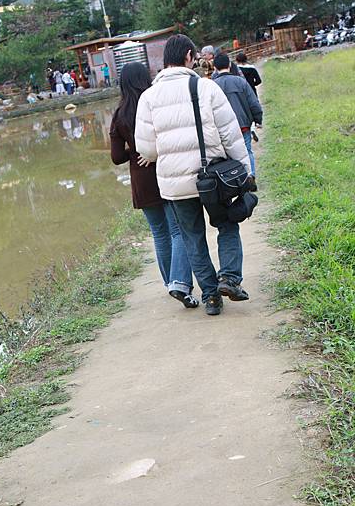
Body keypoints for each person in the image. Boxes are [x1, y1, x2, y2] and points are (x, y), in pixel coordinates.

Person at [135, 34, 251, 316]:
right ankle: (230, 278)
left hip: (175, 184)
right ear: (189, 56)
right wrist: (245, 169)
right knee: (226, 224)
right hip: (213, 178)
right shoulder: (206, 87)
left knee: (193, 238)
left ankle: (211, 298)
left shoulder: (148, 97)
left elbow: (146, 150)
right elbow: (230, 134)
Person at [110, 61, 198, 309]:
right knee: (177, 230)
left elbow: (116, 157)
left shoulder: (119, 115)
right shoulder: (153, 102)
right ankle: (179, 281)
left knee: (160, 234)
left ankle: (170, 282)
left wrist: (134, 151)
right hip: (164, 171)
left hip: (141, 179)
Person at [213, 53, 263, 178]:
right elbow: (254, 103)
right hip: (243, 124)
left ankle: (237, 180)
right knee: (247, 150)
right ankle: (251, 176)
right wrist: (258, 120)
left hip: (223, 128)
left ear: (215, 67)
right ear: (230, 65)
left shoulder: (212, 86)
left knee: (230, 155)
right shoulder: (240, 82)